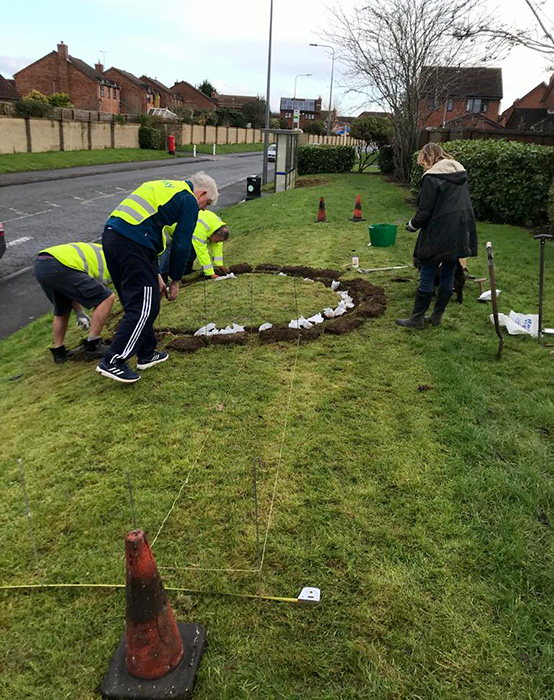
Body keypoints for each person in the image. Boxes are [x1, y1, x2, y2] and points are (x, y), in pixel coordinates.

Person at [96, 171, 219, 383]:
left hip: (113, 238)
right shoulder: (188, 199)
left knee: (139, 301)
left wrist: (157, 276)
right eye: (206, 203)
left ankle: (146, 352)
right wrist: (176, 279)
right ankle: (113, 360)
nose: (203, 209)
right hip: (133, 243)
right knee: (145, 307)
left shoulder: (165, 186)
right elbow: (182, 243)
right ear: (202, 193)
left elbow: (147, 228)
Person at [396, 143, 477, 329]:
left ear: (427, 158)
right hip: (461, 227)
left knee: (428, 269)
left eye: (422, 162)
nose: (423, 166)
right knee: (449, 269)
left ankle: (417, 319)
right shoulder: (459, 174)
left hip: (440, 229)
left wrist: (412, 225)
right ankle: (436, 316)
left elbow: (425, 211)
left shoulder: (432, 177)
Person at [34, 242, 115, 362]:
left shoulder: (103, 251)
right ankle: (93, 345)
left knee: (62, 308)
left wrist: (79, 312)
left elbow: (73, 290)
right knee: (107, 298)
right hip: (60, 265)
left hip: (42, 263)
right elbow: (100, 296)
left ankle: (59, 352)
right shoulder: (113, 264)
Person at [160, 209, 230, 280]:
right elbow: (202, 252)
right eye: (216, 240)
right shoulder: (200, 229)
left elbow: (217, 246)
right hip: (169, 226)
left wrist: (219, 264)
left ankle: (187, 270)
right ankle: (162, 276)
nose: (217, 242)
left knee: (192, 247)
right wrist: (210, 273)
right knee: (171, 248)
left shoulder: (218, 226)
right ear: (213, 234)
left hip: (185, 227)